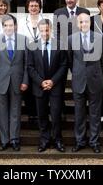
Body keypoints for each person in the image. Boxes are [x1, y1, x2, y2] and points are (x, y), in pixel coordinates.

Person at [27, 19, 68, 152]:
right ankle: (44, 140)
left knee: (56, 115)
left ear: (51, 30)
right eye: (42, 30)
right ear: (39, 30)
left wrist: (52, 81)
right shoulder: (33, 46)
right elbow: (30, 67)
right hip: (39, 87)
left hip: (55, 86)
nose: (45, 33)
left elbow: (63, 66)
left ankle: (57, 140)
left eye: (47, 30)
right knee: (42, 115)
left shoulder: (60, 45)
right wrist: (41, 82)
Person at [68, 13, 103, 153]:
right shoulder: (71, 39)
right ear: (77, 24)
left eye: (86, 22)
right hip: (79, 80)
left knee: (95, 113)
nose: (84, 24)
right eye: (81, 22)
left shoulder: (99, 38)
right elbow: (70, 60)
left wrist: (92, 72)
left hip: (95, 80)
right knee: (79, 113)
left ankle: (94, 141)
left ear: (90, 23)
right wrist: (79, 73)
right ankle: (80, 141)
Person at [0, 15, 29, 151]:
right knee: (2, 112)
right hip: (1, 82)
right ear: (3, 27)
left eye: (11, 25)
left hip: (18, 81)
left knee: (15, 112)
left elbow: (26, 64)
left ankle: (14, 139)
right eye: (6, 25)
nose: (8, 28)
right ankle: (4, 140)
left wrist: (25, 81)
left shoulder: (23, 40)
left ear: (15, 26)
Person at [17, 0, 45, 123]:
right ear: (28, 7)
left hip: (41, 55)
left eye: (36, 6)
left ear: (40, 7)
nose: (34, 8)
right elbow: (20, 38)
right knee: (27, 82)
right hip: (26, 54)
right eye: (31, 6)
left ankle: (41, 112)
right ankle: (31, 112)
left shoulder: (46, 20)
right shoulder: (22, 21)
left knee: (39, 81)